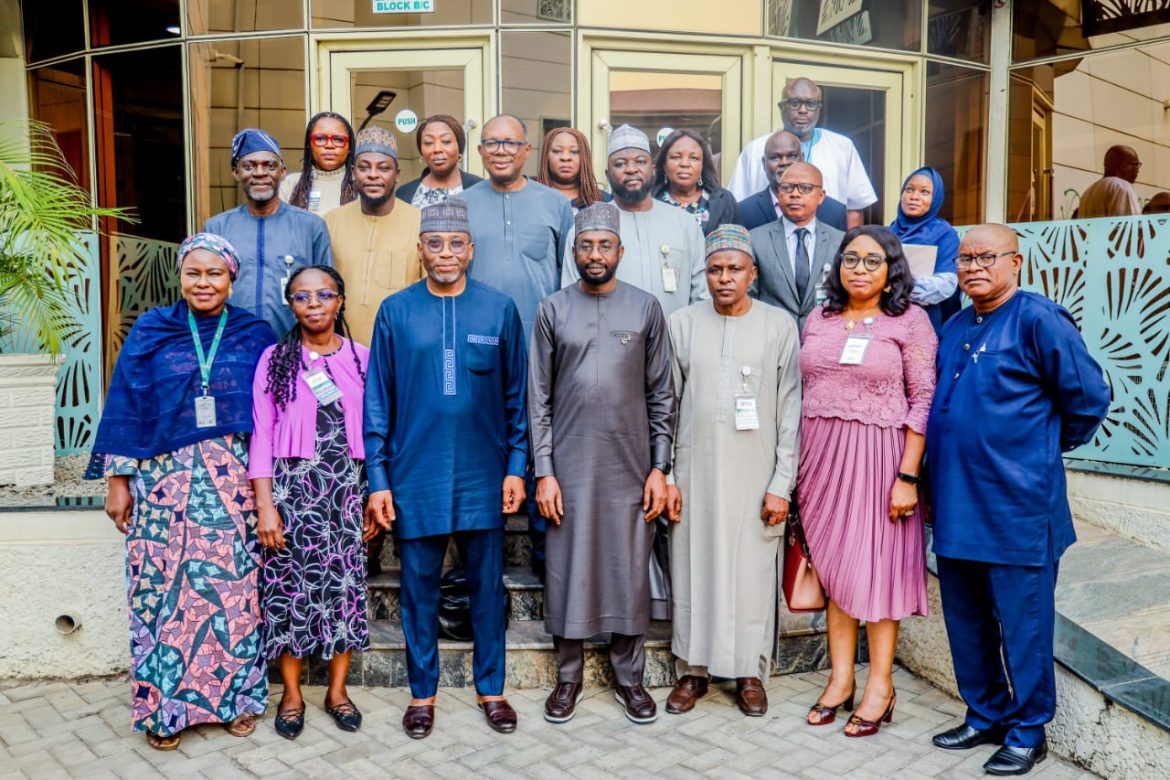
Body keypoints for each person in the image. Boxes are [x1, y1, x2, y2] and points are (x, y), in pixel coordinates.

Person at [928, 224, 1110, 776]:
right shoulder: (957, 323)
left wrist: (1040, 451)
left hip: (1018, 506)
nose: (974, 267)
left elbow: (1088, 397)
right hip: (956, 503)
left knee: (1023, 622)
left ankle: (1029, 730)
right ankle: (985, 714)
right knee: (965, 619)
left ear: (1016, 262)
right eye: (965, 258)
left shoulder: (1039, 318)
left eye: (987, 256)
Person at [88, 233, 275, 751]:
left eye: (215, 273)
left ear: (231, 278)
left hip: (234, 486)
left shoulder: (254, 333)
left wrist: (271, 494)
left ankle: (237, 700)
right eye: (194, 273)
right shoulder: (151, 330)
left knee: (232, 593)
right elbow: (125, 403)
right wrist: (118, 481)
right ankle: (165, 709)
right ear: (179, 276)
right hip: (162, 486)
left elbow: (272, 414)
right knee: (163, 596)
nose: (204, 283)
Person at [363, 198, 528, 740]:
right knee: (418, 590)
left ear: (471, 250)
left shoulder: (499, 309)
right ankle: (422, 694)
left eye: (456, 243)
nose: (446, 253)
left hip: (484, 472)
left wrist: (516, 468)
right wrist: (380, 480)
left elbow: (516, 398)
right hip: (416, 475)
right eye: (435, 243)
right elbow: (378, 402)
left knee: (485, 587)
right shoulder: (396, 311)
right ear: (420, 250)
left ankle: (492, 690)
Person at [530, 202, 677, 726]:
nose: (595, 254)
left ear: (621, 251)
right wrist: (544, 471)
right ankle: (567, 679)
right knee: (568, 566)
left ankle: (629, 678)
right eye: (586, 245)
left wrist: (660, 467)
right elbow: (538, 397)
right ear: (574, 252)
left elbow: (662, 394)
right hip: (567, 464)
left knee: (629, 566)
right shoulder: (552, 310)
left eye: (604, 245)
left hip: (631, 463)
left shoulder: (645, 309)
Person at [797, 225, 936, 739]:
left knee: (875, 573)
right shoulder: (820, 317)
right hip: (820, 462)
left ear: (891, 269)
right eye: (850, 259)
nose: (859, 268)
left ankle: (880, 685)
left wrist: (907, 476)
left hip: (880, 461)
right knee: (835, 574)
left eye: (872, 260)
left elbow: (923, 400)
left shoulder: (911, 321)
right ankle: (839, 679)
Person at [664, 224, 801, 718]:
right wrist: (669, 477)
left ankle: (748, 672)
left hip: (756, 475)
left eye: (734, 269)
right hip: (694, 473)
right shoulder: (681, 323)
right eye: (716, 269)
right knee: (692, 565)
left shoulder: (779, 326)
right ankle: (692, 671)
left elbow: (791, 411)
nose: (724, 278)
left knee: (752, 571)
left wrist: (781, 485)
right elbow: (666, 408)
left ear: (752, 274)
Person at [250, 265, 370, 741]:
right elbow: (261, 434)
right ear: (291, 304)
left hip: (346, 494)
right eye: (302, 296)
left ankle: (337, 692)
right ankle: (293, 694)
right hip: (292, 496)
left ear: (340, 300)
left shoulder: (363, 358)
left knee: (344, 590)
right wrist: (264, 506)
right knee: (290, 593)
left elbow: (380, 433)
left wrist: (373, 497)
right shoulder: (275, 360)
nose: (314, 303)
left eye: (324, 294)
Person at [462, 113, 574, 581]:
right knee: (485, 445)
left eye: (510, 143)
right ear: (481, 152)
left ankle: (548, 562)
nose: (501, 150)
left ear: (527, 151)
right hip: (479, 350)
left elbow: (572, 277)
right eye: (492, 143)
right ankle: (483, 565)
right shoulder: (461, 204)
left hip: (545, 348)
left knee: (544, 446)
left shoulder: (556, 205)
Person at [563, 123, 707, 319]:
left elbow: (702, 295)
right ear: (607, 174)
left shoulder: (685, 224)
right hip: (608, 345)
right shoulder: (587, 225)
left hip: (673, 344)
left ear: (653, 169)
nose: (631, 169)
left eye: (640, 161)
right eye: (620, 164)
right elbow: (572, 298)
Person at [205, 128, 334, 336]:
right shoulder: (217, 229)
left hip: (294, 349)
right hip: (234, 348)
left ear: (282, 172)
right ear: (236, 172)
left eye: (269, 165)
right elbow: (205, 294)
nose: (259, 173)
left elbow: (328, 294)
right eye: (249, 166)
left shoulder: (311, 227)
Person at [728, 78, 877, 227]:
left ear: (819, 108)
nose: (803, 110)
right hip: (764, 241)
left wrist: (847, 246)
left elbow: (854, 209)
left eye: (811, 104)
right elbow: (736, 207)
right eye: (795, 103)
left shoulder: (842, 147)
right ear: (781, 107)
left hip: (827, 242)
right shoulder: (755, 149)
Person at [324, 126, 422, 346]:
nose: (373, 175)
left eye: (384, 168)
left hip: (400, 349)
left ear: (397, 175)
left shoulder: (420, 223)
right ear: (353, 172)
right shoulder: (331, 222)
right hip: (341, 352)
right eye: (364, 167)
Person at [749, 162, 845, 334]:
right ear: (778, 194)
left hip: (825, 340)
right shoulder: (754, 240)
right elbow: (748, 299)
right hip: (770, 339)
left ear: (821, 196)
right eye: (787, 188)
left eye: (805, 188)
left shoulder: (841, 242)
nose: (795, 194)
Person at [889, 167, 960, 333]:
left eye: (924, 192)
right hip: (886, 317)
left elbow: (946, 284)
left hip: (926, 320)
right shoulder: (888, 232)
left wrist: (894, 286)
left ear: (936, 198)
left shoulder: (945, 234)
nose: (914, 197)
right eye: (909, 189)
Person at [738, 130, 848, 232]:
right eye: (775, 157)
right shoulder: (744, 212)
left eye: (791, 156)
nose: (784, 163)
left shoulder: (835, 212)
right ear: (763, 163)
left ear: (802, 159)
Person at [653, 128, 742, 235]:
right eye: (676, 157)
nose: (685, 164)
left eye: (694, 158)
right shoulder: (650, 201)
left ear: (702, 165)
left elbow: (738, 247)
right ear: (664, 164)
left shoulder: (724, 201)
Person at [396, 114, 484, 208]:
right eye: (429, 143)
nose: (437, 149)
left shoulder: (480, 188)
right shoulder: (404, 194)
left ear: (459, 147)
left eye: (446, 141)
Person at [279, 112, 357, 215]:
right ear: (309, 145)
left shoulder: (362, 185)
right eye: (320, 138)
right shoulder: (290, 184)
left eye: (338, 139)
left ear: (349, 147)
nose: (329, 145)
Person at [536, 126, 611, 211]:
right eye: (557, 151)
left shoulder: (605, 201)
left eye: (574, 152)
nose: (565, 158)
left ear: (585, 157)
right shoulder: (530, 197)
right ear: (546, 156)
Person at [1077, 145, 1141, 218]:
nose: (1138, 170)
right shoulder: (1121, 187)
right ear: (1123, 165)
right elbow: (1129, 226)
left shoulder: (1087, 192)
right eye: (1135, 164)